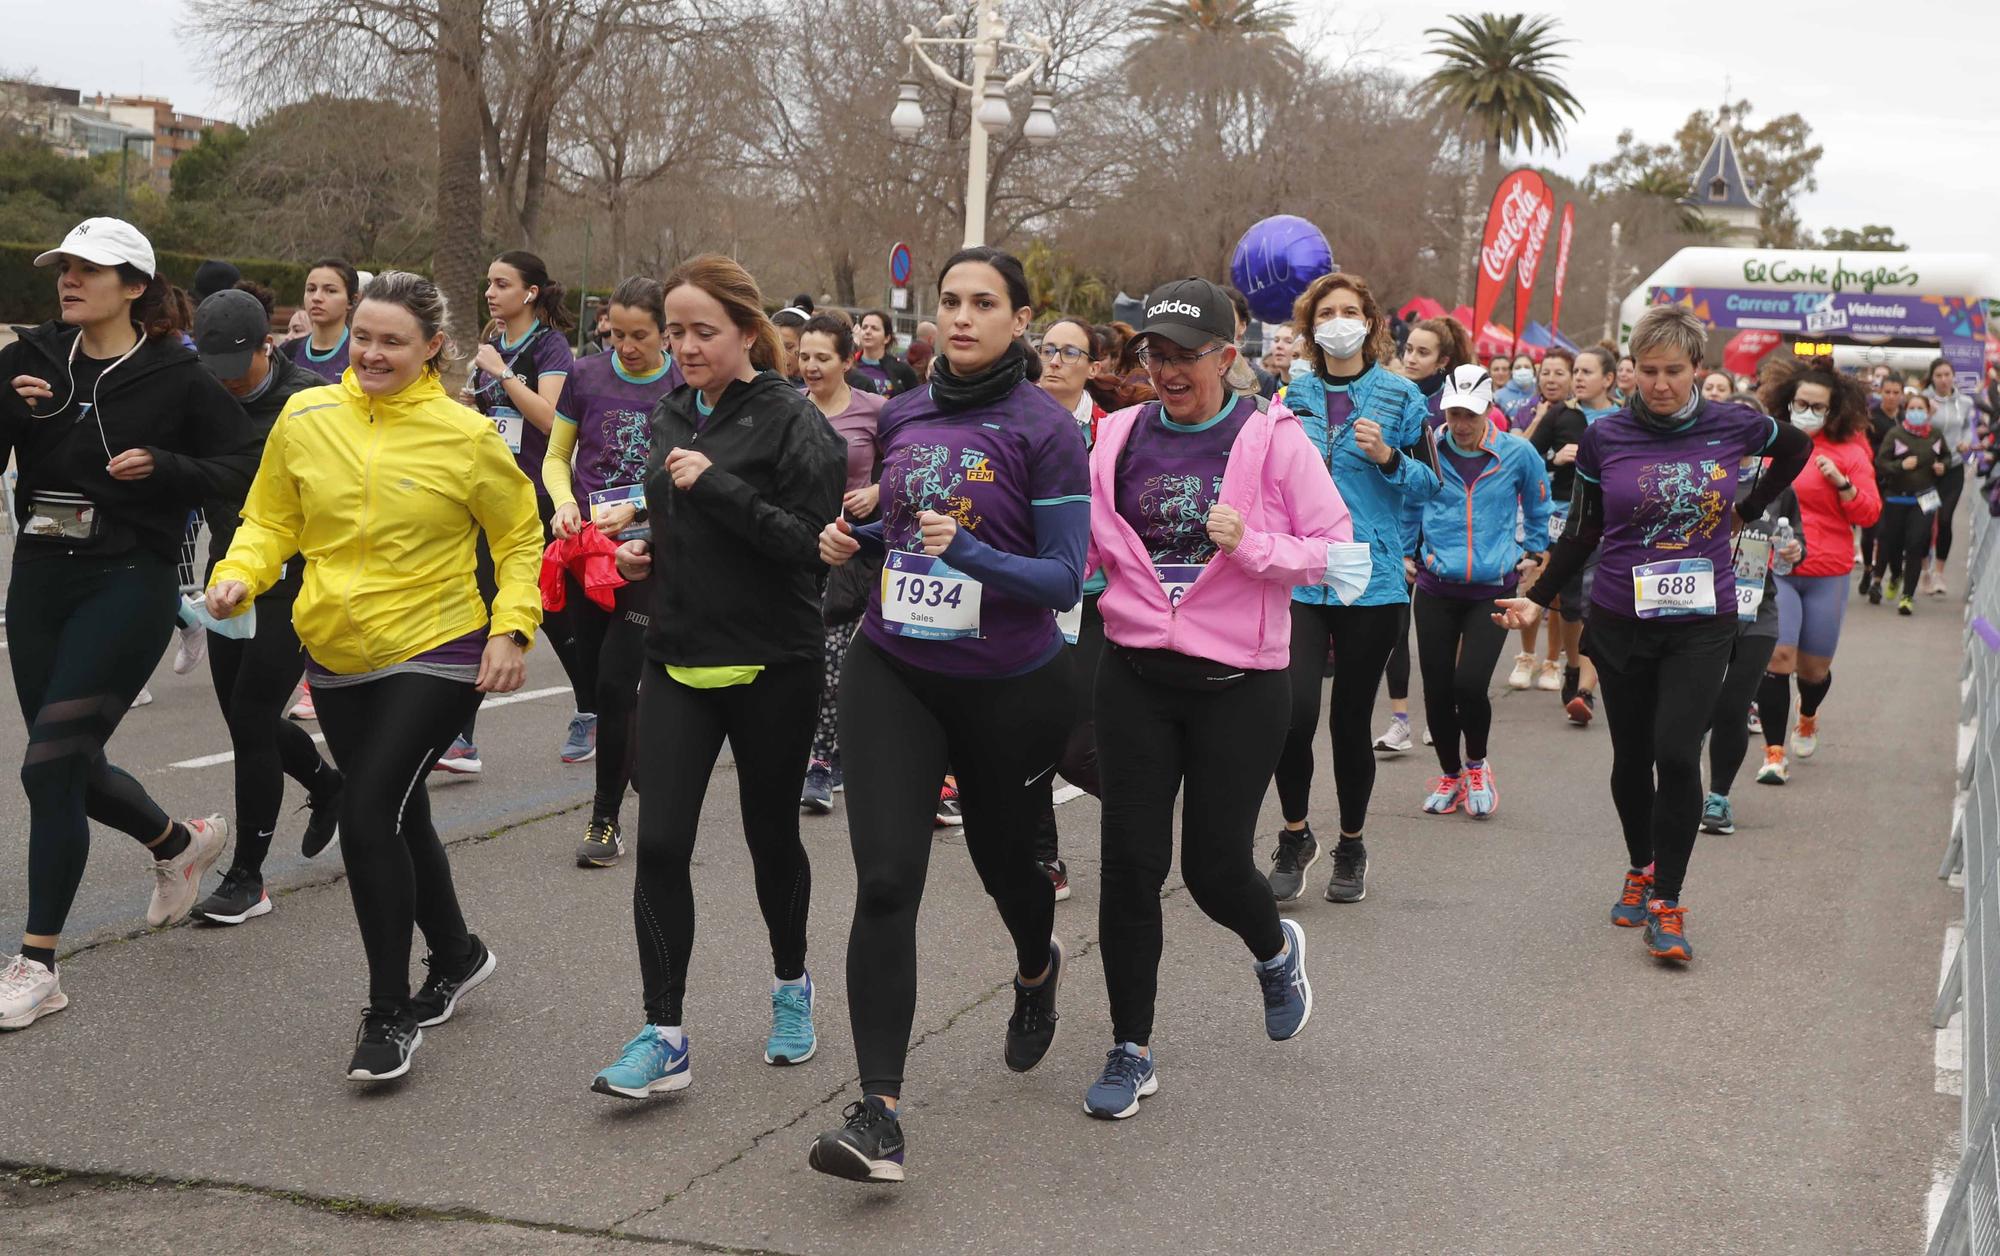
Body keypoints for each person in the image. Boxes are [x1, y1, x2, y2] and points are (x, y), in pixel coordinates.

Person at [208, 271, 540, 1081]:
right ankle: (457, 953)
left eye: (393, 341)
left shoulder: (466, 437)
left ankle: (388, 1014)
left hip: (439, 646)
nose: (372, 353)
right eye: (363, 337)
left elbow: (520, 537)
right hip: (339, 654)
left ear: (433, 349)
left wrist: (513, 630)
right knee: (401, 812)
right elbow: (272, 517)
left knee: (366, 818)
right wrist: (241, 570)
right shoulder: (306, 413)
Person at [809, 246, 1087, 1182]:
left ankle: (1036, 967)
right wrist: (858, 532)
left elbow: (1061, 577)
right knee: (886, 881)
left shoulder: (1047, 429)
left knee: (1010, 869)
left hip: (1009, 685)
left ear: (1019, 320)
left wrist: (968, 553)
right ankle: (878, 1113)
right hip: (896, 670)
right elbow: (902, 524)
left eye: (984, 303)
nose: (962, 318)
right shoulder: (906, 411)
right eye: (951, 302)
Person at [1079, 278, 1346, 1120]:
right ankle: (1131, 1047)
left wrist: (1255, 544)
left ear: (1227, 359)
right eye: (1153, 354)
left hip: (1240, 685)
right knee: (1127, 866)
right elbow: (1082, 537)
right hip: (1135, 675)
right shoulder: (1117, 435)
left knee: (1212, 868)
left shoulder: (1273, 440)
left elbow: (1335, 553)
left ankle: (1273, 950)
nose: (1164, 370)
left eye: (1183, 355)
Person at [588, 256, 844, 1099]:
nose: (685, 346)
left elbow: (810, 547)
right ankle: (664, 1034)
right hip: (679, 655)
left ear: (746, 332)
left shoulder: (794, 421)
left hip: (774, 661)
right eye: (675, 332)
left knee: (772, 836)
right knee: (659, 843)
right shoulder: (668, 415)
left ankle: (792, 987)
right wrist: (641, 556)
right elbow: (678, 525)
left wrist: (721, 487)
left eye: (704, 331)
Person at [0, 218, 261, 1030]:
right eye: (64, 268)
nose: (70, 280)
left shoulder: (176, 379)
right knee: (67, 759)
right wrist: (9, 414)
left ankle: (38, 964)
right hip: (38, 580)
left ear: (136, 287)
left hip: (128, 583)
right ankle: (179, 842)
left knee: (48, 768)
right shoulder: (30, 360)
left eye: (90, 270)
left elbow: (243, 464)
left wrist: (167, 467)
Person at [1492, 304, 1810, 964]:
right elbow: (1583, 530)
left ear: (1698, 368)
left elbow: (1797, 447)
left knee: (1674, 752)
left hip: (1703, 620)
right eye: (1648, 371)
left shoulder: (1736, 421)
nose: (1659, 384)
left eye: (1673, 371)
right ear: (1631, 370)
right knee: (1632, 756)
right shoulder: (1607, 437)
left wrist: (1747, 508)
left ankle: (1668, 898)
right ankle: (1639, 865)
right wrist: (1538, 599)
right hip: (1619, 617)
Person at [1266, 271, 1432, 908]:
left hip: (1374, 579)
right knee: (1293, 712)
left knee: (1347, 722)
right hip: (1305, 575)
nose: (1339, 321)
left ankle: (1352, 843)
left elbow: (1429, 485)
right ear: (1311, 328)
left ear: (1370, 321)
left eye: (1350, 311)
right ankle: (1294, 834)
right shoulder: (1293, 394)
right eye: (1326, 312)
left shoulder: (1400, 397)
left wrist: (1391, 457)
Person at [187, 288, 345, 925]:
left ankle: (248, 877)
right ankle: (327, 783)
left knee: (253, 714)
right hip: (231, 573)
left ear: (267, 346)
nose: (224, 386)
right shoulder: (200, 392)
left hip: (294, 579)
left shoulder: (308, 401)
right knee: (239, 717)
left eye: (236, 372)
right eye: (213, 373)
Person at [543, 277, 683, 866]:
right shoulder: (586, 376)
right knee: (599, 676)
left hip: (648, 551)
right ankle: (640, 756)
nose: (625, 346)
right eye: (616, 334)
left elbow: (691, 475)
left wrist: (645, 514)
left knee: (615, 682)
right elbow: (557, 457)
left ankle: (604, 819)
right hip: (587, 550)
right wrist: (563, 503)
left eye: (640, 336)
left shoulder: (685, 385)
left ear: (665, 333)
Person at [1408, 364, 1550, 817]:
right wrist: (1407, 553)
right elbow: (1409, 502)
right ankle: (1450, 775)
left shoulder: (1517, 452)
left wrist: (1535, 550)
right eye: (1453, 413)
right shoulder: (1429, 450)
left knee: (1469, 684)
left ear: (1489, 408)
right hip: (1435, 586)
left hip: (1493, 586)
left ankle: (1477, 765)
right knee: (1435, 688)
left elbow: (1539, 500)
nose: (1462, 424)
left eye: (1470, 413)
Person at [463, 251, 581, 769]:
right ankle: (459, 735)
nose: (490, 292)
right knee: (478, 606)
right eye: (488, 282)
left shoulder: (549, 345)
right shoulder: (493, 342)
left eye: (501, 283)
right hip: (489, 492)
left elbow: (553, 420)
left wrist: (502, 374)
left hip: (534, 494)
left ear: (530, 292)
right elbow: (495, 413)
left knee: (554, 612)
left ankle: (596, 707)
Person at [1753, 356, 1879, 783]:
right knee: (1778, 656)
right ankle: (1774, 753)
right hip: (1778, 568)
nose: (1806, 412)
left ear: (1833, 410)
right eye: (1800, 403)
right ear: (1787, 402)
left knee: (1813, 671)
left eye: (1817, 406)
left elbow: (1870, 513)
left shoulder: (1850, 452)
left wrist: (1843, 484)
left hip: (1828, 570)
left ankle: (1807, 713)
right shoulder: (1771, 444)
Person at [1032, 316, 1112, 899]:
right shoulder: (1017, 421)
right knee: (1030, 731)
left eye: (1070, 351)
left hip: (1097, 599)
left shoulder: (1114, 431)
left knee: (1078, 744)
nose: (1056, 360)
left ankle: (1144, 799)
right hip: (1029, 593)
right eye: (1048, 349)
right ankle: (1044, 858)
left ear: (1094, 365)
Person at [1374, 314, 1475, 753]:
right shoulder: (1391, 396)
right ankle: (1400, 720)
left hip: (1442, 530)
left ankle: (1444, 710)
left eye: (1422, 352)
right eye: (1407, 349)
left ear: (1444, 361)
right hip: (1396, 525)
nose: (1410, 358)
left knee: (1443, 632)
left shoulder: (1456, 407)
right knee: (1394, 627)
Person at [797, 312, 885, 815]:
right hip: (795, 549)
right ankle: (825, 748)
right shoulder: (788, 408)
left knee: (833, 662)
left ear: (847, 361)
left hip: (849, 551)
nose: (810, 366)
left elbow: (903, 467)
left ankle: (821, 764)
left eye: (822, 358)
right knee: (802, 660)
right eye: (804, 356)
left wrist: (874, 490)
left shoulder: (876, 411)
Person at [1697, 449, 1804, 836]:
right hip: (1701, 609)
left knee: (1734, 706)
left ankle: (1718, 798)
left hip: (1757, 608)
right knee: (1697, 704)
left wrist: (1792, 551)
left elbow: (1795, 548)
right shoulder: (1699, 479)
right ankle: (1687, 761)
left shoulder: (1777, 489)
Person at [1524, 345, 1615, 723]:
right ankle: (1573, 665)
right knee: (1572, 603)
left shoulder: (1623, 420)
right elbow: (1527, 458)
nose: (1578, 377)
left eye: (1587, 372)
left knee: (1599, 602)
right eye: (1575, 370)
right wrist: (1553, 460)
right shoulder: (1562, 414)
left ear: (1609, 379)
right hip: (1567, 518)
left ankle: (1585, 689)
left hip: (1612, 522)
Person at [1507, 348, 1575, 692]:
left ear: (1573, 377)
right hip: (1535, 508)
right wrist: (1555, 458)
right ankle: (1526, 655)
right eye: (1545, 372)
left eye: (1558, 373)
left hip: (1571, 509)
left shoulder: (1581, 415)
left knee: (1561, 592)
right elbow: (1524, 455)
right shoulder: (1528, 409)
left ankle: (1553, 662)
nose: (1550, 379)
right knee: (1534, 582)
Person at [1869, 391, 1950, 615]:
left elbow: (1946, 456)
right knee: (1894, 544)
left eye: (1920, 409)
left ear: (1928, 411)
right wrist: (1900, 466)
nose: (1916, 413)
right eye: (1912, 409)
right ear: (1907, 411)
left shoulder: (1935, 434)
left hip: (1924, 498)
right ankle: (1895, 575)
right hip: (1896, 496)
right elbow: (1881, 462)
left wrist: (1942, 466)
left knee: (1916, 544)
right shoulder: (1896, 434)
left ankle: (1907, 596)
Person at [1922, 358, 1976, 595]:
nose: (1944, 380)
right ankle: (1925, 569)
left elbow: (1968, 427)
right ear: (1932, 378)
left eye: (1947, 375)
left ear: (1953, 376)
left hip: (1953, 468)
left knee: (1944, 520)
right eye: (1938, 376)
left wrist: (1967, 441)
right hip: (1928, 470)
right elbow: (1911, 428)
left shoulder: (1964, 402)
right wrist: (1926, 414)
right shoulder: (1923, 400)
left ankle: (1939, 574)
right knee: (1925, 520)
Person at [1859, 376, 1907, 599]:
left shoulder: (1906, 418)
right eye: (1887, 392)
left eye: (1895, 392)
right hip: (1872, 479)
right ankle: (1868, 568)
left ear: (1901, 394)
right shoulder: (1872, 417)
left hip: (1895, 483)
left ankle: (1879, 578)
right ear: (1881, 392)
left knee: (1886, 532)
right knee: (1869, 531)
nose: (1891, 396)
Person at [280, 258, 360, 385]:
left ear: (352, 300)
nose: (316, 298)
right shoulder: (287, 352)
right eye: (311, 289)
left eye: (330, 290)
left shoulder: (359, 354)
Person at [1221, 284, 1281, 398]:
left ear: (1242, 326)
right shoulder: (1188, 370)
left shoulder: (1263, 381)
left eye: (1227, 316)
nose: (1219, 323)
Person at [853, 310, 920, 397]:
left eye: (874, 328)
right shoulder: (848, 366)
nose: (868, 332)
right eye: (864, 327)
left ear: (887, 338)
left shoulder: (902, 370)